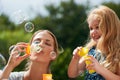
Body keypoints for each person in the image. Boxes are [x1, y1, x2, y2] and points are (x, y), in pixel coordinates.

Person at [68, 5, 120, 80]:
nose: (93, 32)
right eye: (91, 28)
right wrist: (75, 58)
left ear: (110, 28)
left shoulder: (117, 52)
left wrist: (100, 69)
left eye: (97, 27)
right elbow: (72, 74)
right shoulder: (90, 51)